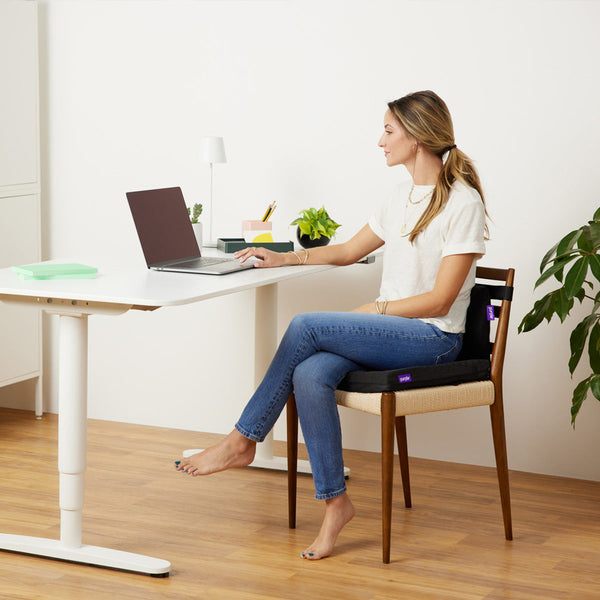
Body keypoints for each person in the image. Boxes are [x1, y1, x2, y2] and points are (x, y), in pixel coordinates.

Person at [175, 90, 487, 561]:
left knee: (305, 325)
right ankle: (336, 503)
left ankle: (241, 441)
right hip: (396, 335)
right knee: (310, 373)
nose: (380, 141)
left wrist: (375, 312)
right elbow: (345, 251)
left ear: (418, 137)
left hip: (434, 340)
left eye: (388, 130)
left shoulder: (462, 203)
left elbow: (441, 299)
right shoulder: (399, 197)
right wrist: (283, 257)